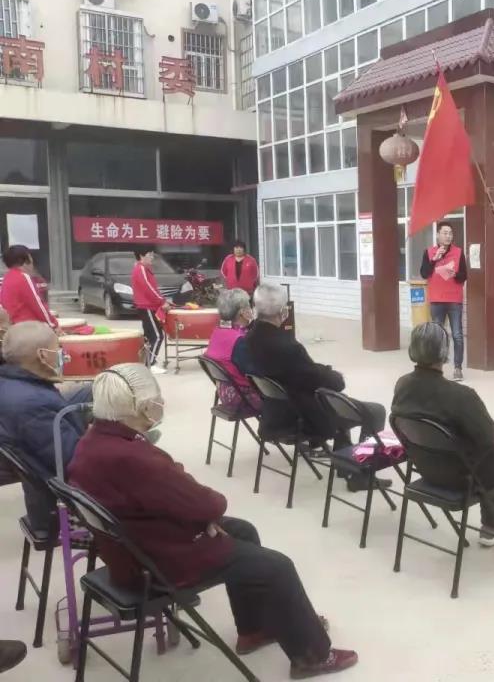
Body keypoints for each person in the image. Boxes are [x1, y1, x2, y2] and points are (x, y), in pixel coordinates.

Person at [66, 364, 357, 678]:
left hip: (132, 550)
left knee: (243, 530)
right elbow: (206, 502)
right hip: (157, 560)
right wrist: (203, 517)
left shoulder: (93, 441)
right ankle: (313, 656)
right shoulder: (131, 457)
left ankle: (253, 629)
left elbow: (171, 493)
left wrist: (201, 515)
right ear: (143, 406)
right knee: (277, 566)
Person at [392, 322, 494, 563]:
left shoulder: (402, 385)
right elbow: (488, 435)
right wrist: (492, 441)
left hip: (427, 470)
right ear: (444, 352)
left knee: (491, 454)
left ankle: (491, 526)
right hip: (463, 475)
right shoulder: (460, 396)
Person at [0, 322, 92, 533]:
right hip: (53, 471)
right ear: (42, 355)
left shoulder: (11, 380)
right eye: (57, 348)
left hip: (36, 426)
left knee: (92, 390)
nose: (62, 354)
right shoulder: (33, 405)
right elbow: (73, 462)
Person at [245, 284, 348, 451]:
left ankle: (325, 449)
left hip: (272, 412)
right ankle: (353, 461)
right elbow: (312, 377)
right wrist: (335, 376)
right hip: (298, 415)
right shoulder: (287, 346)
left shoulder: (250, 338)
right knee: (369, 411)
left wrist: (324, 371)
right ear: (282, 311)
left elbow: (303, 372)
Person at [420, 222, 467, 381]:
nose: (448, 236)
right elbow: (424, 273)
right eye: (445, 233)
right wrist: (434, 260)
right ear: (438, 235)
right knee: (438, 336)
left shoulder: (458, 252)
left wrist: (455, 274)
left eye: (450, 233)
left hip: (454, 300)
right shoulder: (429, 252)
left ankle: (458, 368)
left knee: (457, 334)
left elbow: (464, 276)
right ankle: (436, 367)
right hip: (437, 299)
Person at [204, 288, 261, 415]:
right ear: (242, 312)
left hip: (224, 391)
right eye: (249, 306)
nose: (251, 309)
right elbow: (255, 373)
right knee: (287, 396)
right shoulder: (238, 341)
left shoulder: (218, 332)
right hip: (241, 397)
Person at [131, 247, 170, 376]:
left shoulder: (145, 269)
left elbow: (154, 288)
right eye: (150, 255)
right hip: (146, 306)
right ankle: (151, 364)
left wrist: (162, 300)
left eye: (153, 255)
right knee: (157, 336)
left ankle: (146, 362)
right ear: (142, 256)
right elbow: (148, 288)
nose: (152, 257)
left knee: (149, 337)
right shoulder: (141, 269)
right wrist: (162, 302)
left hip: (148, 306)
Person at [0, 245, 58, 331]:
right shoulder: (23, 277)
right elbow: (38, 305)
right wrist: (54, 325)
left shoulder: (7, 278)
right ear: (25, 261)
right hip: (27, 327)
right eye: (31, 260)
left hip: (13, 327)